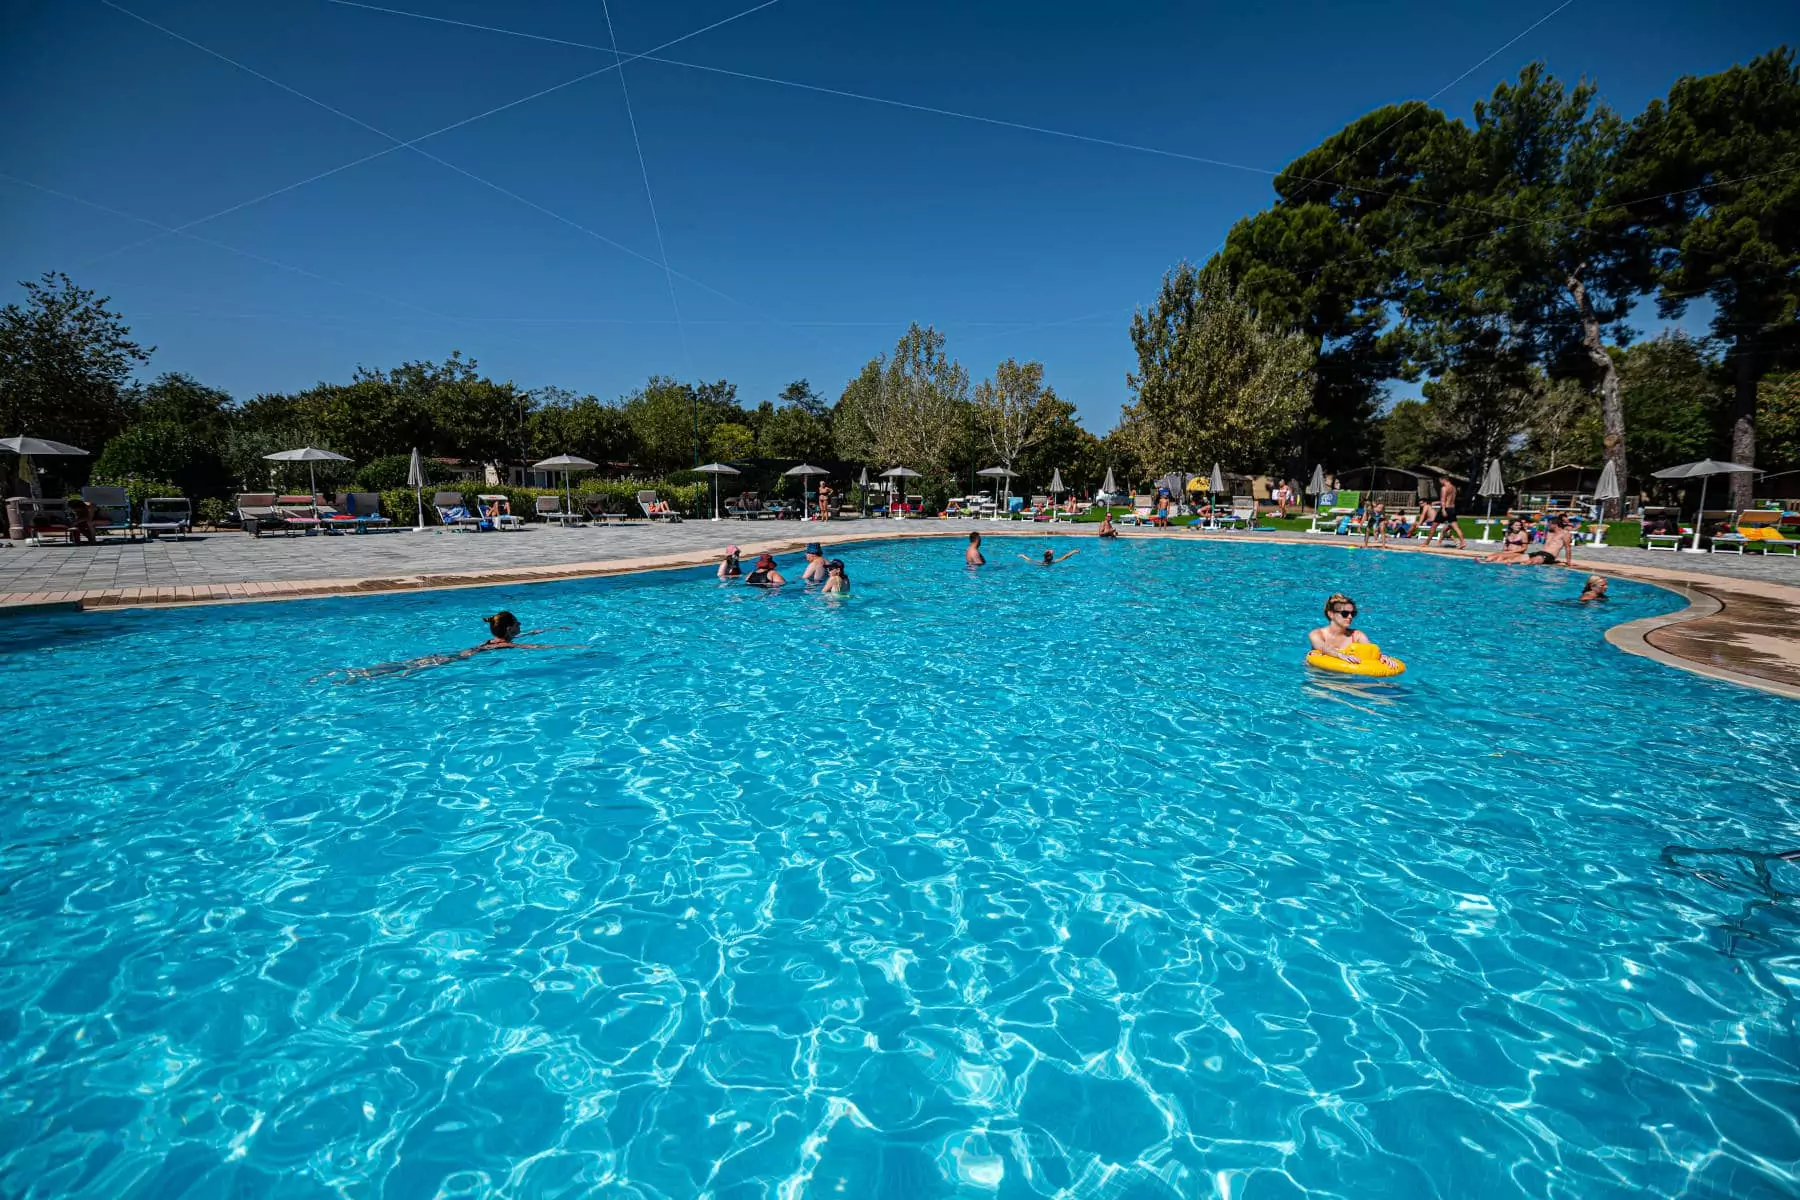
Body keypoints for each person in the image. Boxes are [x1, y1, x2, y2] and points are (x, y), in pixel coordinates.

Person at [324, 611, 565, 682]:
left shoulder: (497, 640)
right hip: (454, 659)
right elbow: (534, 648)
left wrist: (547, 629)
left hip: (455, 655)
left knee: (408, 664)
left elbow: (528, 638)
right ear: (511, 629)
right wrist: (571, 647)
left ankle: (361, 672)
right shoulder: (505, 646)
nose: (522, 625)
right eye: (519, 623)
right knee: (410, 668)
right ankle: (364, 676)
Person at [1308, 593, 1399, 669]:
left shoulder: (1357, 635)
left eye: (1353, 613)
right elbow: (1323, 648)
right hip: (1319, 676)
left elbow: (1370, 649)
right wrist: (1340, 655)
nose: (1350, 617)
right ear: (1331, 614)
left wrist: (1381, 657)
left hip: (1346, 677)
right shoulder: (1317, 634)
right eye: (1345, 613)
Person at [1429, 475, 1467, 549]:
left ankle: (1426, 542)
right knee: (1456, 527)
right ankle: (1463, 542)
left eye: (1440, 481)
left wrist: (1443, 509)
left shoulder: (1444, 488)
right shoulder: (1454, 488)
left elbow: (1443, 500)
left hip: (1445, 508)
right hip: (1452, 508)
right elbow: (1451, 498)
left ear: (1443, 480)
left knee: (1434, 526)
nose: (1440, 482)